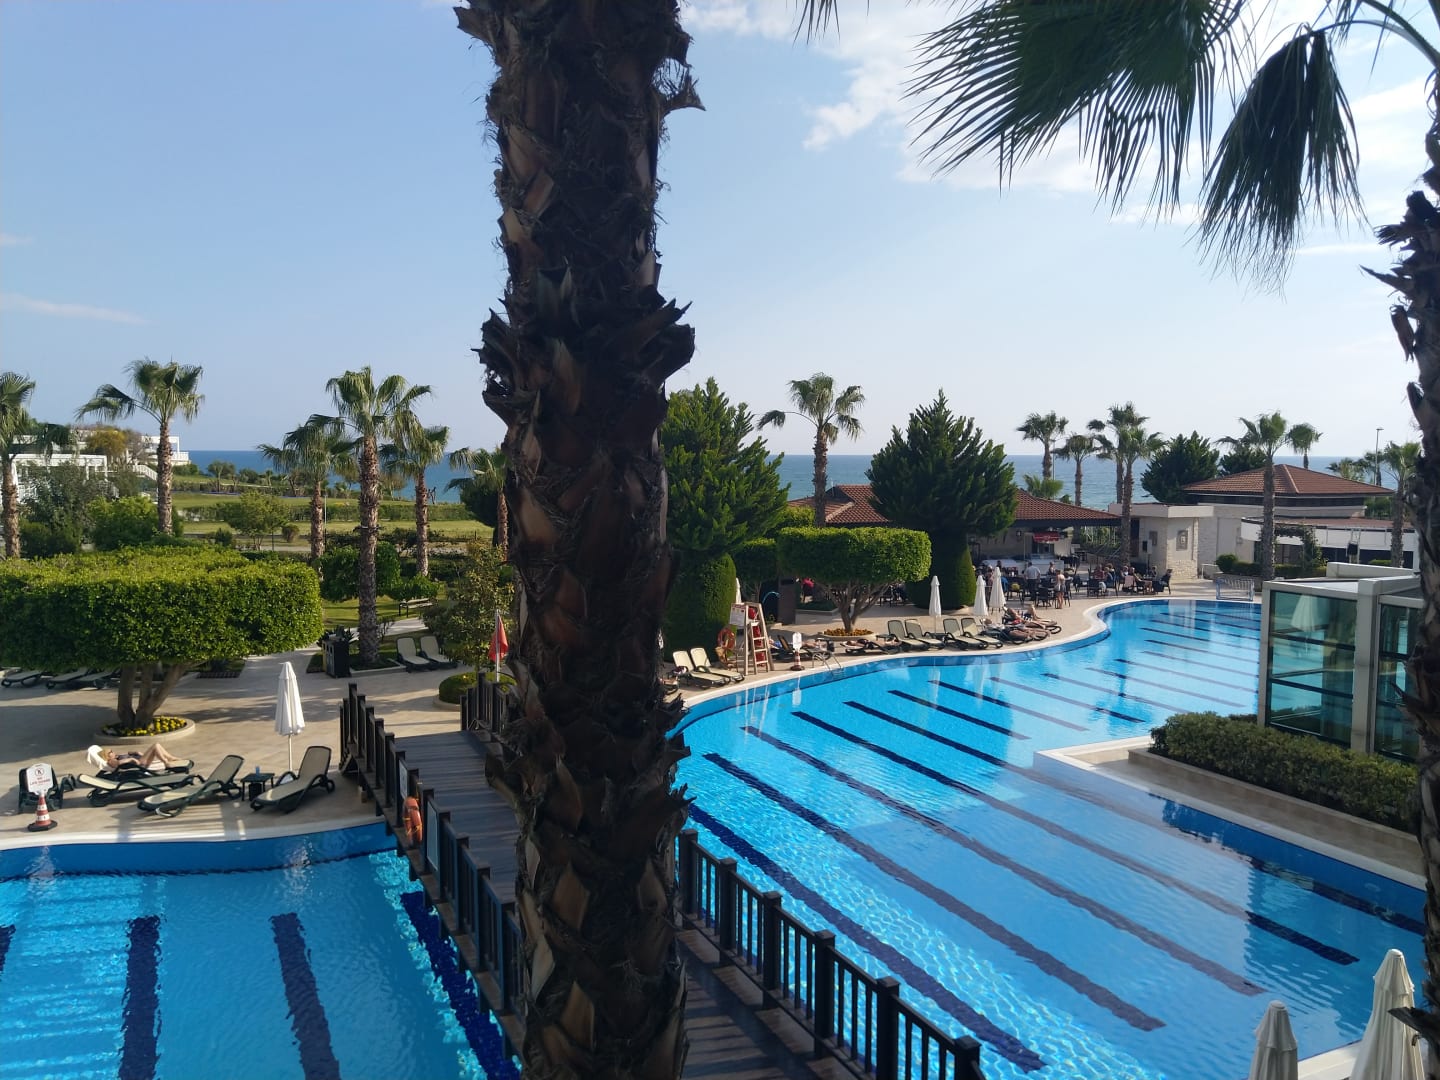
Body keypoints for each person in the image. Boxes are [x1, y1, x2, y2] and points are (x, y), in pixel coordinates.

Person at [88, 743, 184, 772]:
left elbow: (126, 754)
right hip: (140, 764)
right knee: (155, 746)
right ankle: (166, 762)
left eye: (111, 750)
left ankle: (170, 758)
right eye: (110, 752)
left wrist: (134, 753)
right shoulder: (111, 761)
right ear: (107, 756)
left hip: (140, 760)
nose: (112, 752)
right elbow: (119, 763)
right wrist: (131, 759)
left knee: (157, 745)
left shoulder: (116, 756)